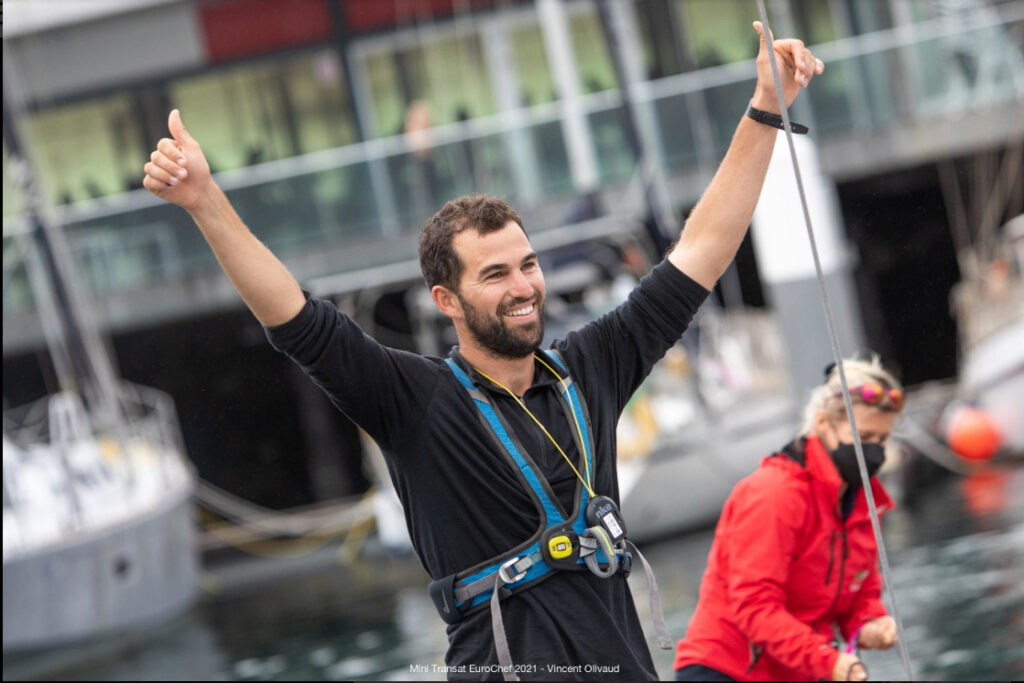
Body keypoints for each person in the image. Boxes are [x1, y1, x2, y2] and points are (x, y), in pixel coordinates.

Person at [142, 22, 822, 682]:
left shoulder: (591, 367)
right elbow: (296, 318)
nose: (523, 287)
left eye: (527, 265)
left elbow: (701, 249)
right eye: (495, 275)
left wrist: (764, 106)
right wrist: (204, 201)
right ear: (447, 299)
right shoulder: (411, 400)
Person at [673, 357, 904, 682]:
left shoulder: (864, 503)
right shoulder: (773, 493)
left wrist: (871, 626)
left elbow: (859, 597)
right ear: (823, 423)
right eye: (864, 436)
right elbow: (756, 607)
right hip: (727, 671)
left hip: (800, 670)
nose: (876, 451)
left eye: (882, 439)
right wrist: (827, 661)